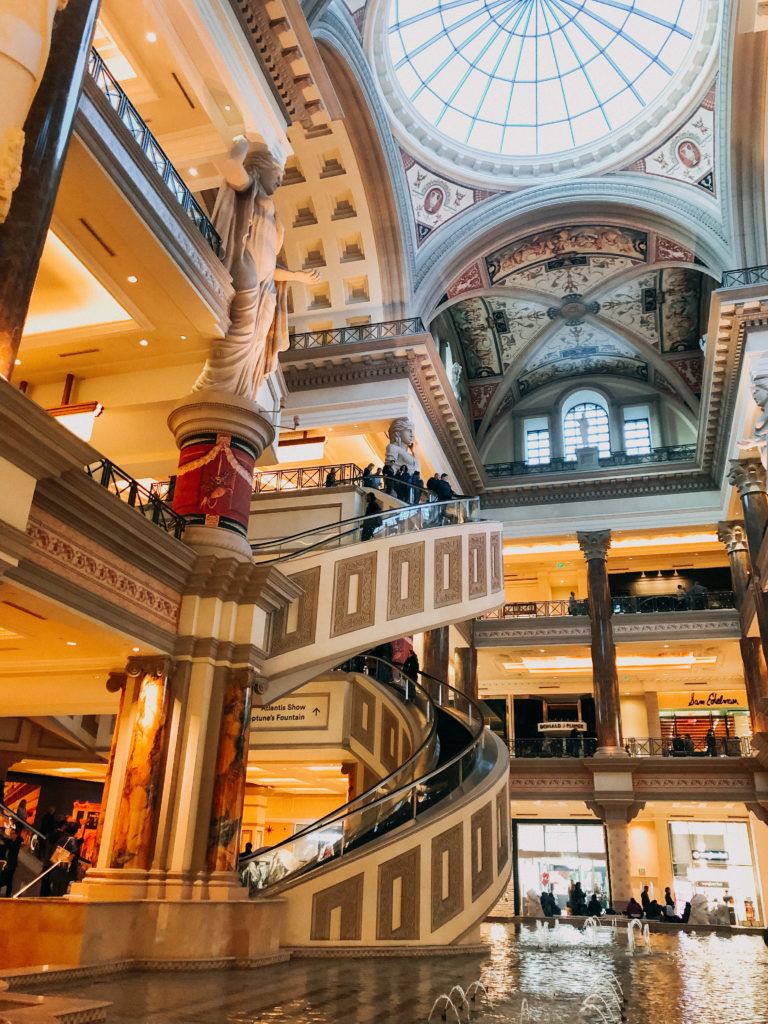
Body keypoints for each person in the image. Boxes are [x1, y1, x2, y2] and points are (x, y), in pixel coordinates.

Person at [0, 824, 22, 897]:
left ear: (16, 834)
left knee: (7, 881)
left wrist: (3, 837)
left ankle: (7, 896)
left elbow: (11, 847)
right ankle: (7, 896)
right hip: (7, 864)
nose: (11, 835)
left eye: (12, 834)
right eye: (10, 833)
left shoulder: (16, 843)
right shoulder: (11, 841)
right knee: (6, 881)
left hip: (10, 865)